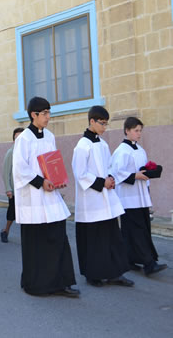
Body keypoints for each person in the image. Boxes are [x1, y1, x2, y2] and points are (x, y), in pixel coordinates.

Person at [13, 96, 78, 297]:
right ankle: (36, 284)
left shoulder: (49, 135)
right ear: (34, 115)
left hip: (51, 196)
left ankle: (61, 282)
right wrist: (41, 182)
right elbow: (19, 169)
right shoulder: (24, 139)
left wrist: (58, 179)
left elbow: (53, 161)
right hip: (33, 197)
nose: (49, 117)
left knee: (58, 237)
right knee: (37, 243)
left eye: (49, 112)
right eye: (45, 113)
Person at [72, 106, 133, 288]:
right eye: (102, 123)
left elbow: (110, 165)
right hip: (91, 200)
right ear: (92, 121)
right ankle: (93, 274)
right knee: (94, 239)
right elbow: (80, 173)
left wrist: (112, 178)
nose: (105, 127)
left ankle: (115, 273)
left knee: (112, 237)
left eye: (107, 123)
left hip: (106, 198)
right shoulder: (82, 146)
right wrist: (101, 182)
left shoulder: (103, 144)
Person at [111, 117, 167, 276]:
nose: (139, 133)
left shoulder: (140, 150)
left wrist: (150, 172)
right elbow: (116, 172)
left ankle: (129, 259)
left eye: (140, 130)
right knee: (137, 230)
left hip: (141, 196)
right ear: (127, 130)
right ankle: (149, 264)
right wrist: (135, 176)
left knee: (133, 230)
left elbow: (141, 170)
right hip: (128, 198)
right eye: (136, 130)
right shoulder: (121, 151)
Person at [0, 127, 24, 243]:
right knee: (12, 212)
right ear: (14, 140)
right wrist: (8, 189)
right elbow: (6, 172)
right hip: (14, 190)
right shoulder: (11, 153)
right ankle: (5, 231)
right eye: (17, 138)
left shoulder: (27, 152)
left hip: (26, 189)